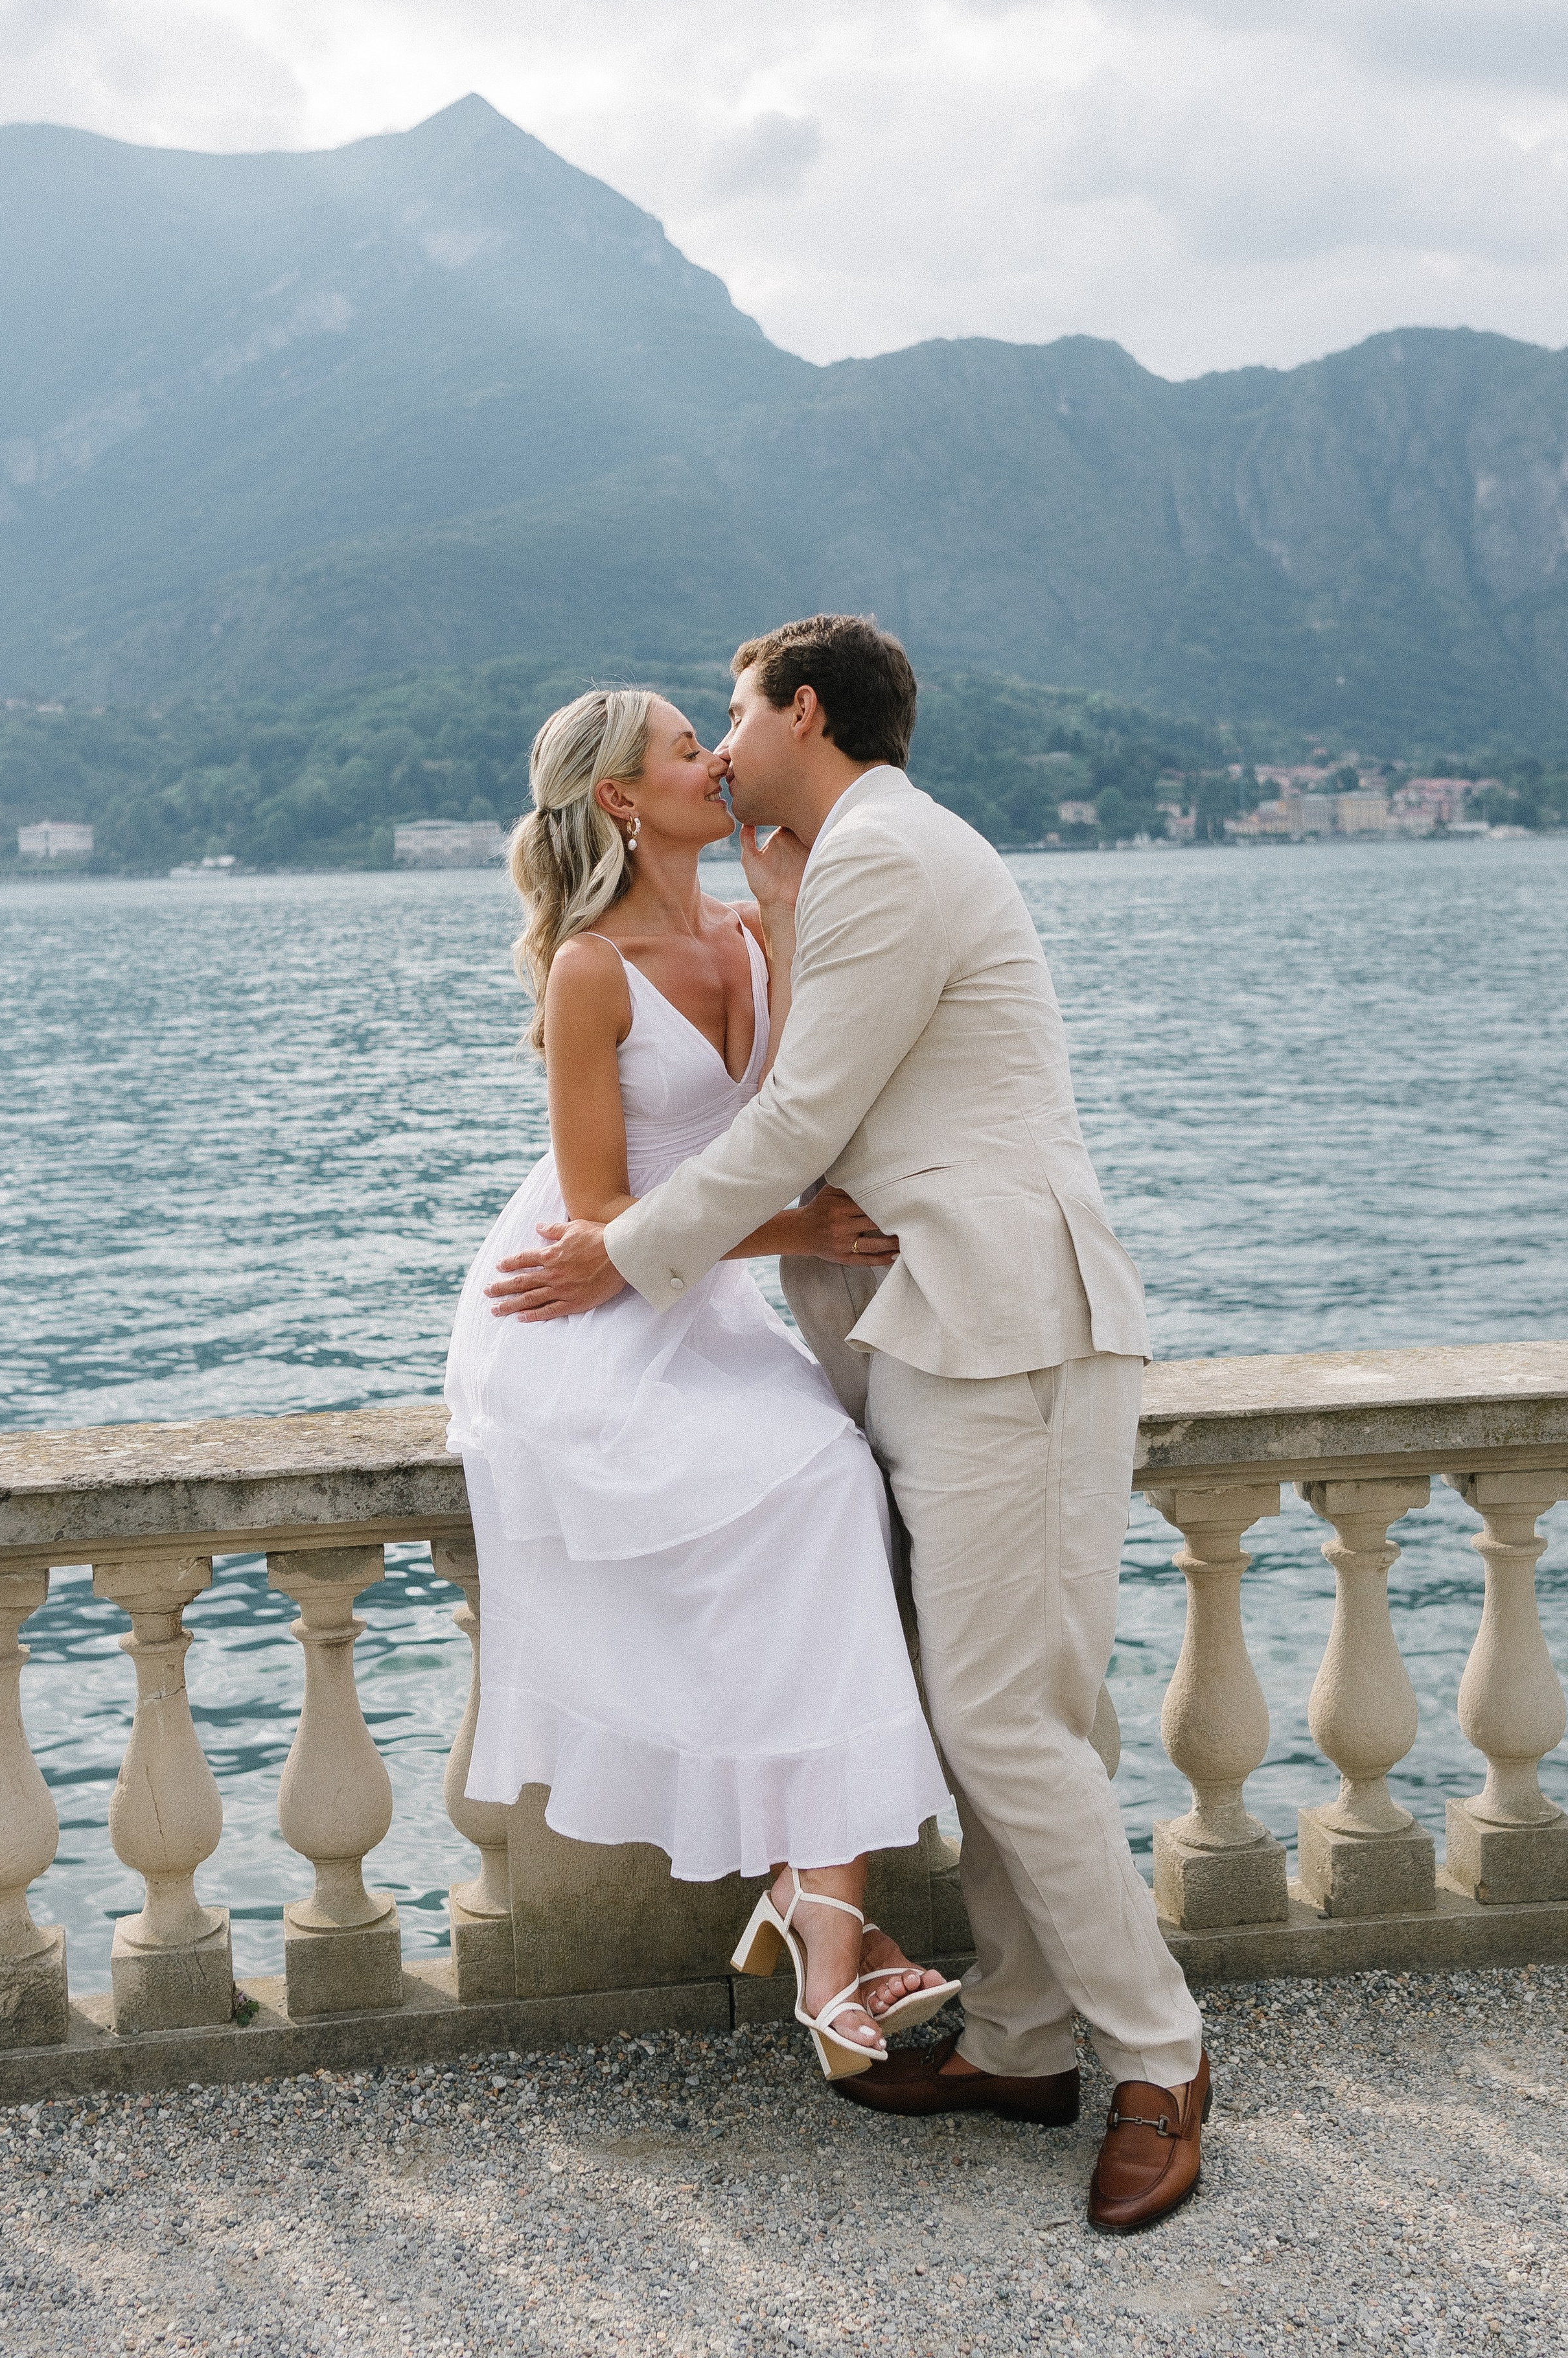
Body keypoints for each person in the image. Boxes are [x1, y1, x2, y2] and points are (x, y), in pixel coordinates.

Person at [487, 616, 1212, 2235]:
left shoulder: (886, 852)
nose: (720, 747)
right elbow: (811, 1083)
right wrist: (780, 891)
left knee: (1010, 1726)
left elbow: (804, 1119)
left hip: (1000, 1332)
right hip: (944, 1335)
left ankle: (1160, 2061)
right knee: (1006, 1720)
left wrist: (615, 1255)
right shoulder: (844, 863)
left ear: (799, 711)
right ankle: (1024, 2043)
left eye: (731, 714)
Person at [444, 683, 959, 2082]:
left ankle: (813, 1904)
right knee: (810, 1487)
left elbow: (808, 1107)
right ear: (622, 797)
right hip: (585, 1310)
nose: (715, 759)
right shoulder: (589, 971)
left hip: (706, 1303)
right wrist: (797, 1233)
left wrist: (781, 907)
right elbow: (604, 1212)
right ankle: (829, 1929)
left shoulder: (743, 930)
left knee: (835, 1491)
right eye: (687, 748)